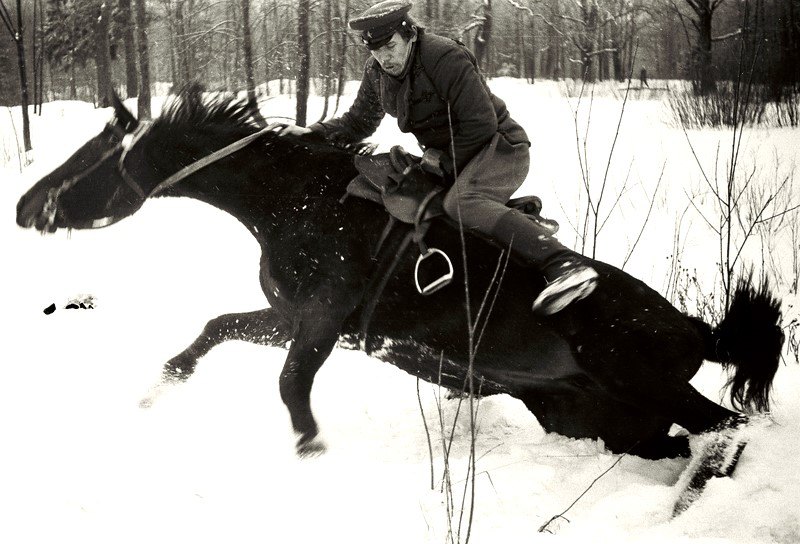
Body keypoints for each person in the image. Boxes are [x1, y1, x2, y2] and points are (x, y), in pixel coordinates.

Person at [280, 0, 597, 315]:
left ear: (408, 33)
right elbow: (358, 122)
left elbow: (480, 123)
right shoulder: (376, 72)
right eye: (374, 51)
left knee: (461, 203)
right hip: (452, 157)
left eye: (390, 46)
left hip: (499, 147)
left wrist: (442, 163)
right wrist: (311, 134)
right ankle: (506, 225)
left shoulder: (442, 56)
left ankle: (563, 263)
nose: (383, 57)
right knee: (388, 192)